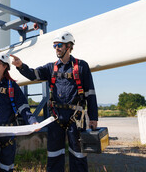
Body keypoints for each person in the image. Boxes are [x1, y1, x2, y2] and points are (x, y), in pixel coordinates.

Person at [10, 31, 98, 172]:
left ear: (69, 46)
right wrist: (20, 66)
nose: (56, 48)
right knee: (54, 154)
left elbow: (90, 93)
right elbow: (34, 74)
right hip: (56, 117)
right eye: (54, 46)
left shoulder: (81, 66)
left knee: (78, 154)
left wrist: (93, 117)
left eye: (59, 45)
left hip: (76, 118)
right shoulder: (51, 68)